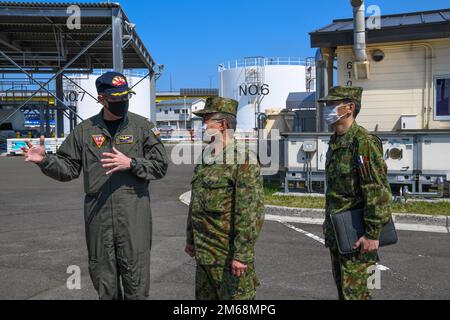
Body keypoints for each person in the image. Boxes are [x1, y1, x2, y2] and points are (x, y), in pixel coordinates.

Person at [22, 71, 169, 300]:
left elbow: (160, 166)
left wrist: (131, 163)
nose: (122, 102)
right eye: (115, 98)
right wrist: (46, 161)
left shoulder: (142, 127)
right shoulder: (84, 130)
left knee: (136, 278)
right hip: (98, 215)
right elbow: (69, 168)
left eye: (125, 97)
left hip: (133, 213)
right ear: (101, 98)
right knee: (103, 277)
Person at [185, 97, 265, 300]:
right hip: (204, 255)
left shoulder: (243, 158)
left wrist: (241, 255)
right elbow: (196, 202)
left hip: (228, 258)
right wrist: (191, 239)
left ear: (222, 125)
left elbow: (250, 212)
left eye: (207, 121)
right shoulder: (206, 156)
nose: (203, 126)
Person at [319, 86, 393, 300]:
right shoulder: (336, 141)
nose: (328, 110)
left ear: (349, 107)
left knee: (359, 295)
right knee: (345, 293)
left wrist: (372, 234)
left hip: (359, 236)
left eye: (332, 105)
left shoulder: (363, 142)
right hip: (339, 234)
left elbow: (377, 191)